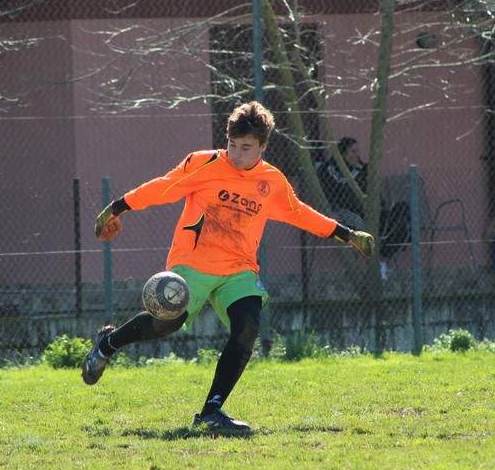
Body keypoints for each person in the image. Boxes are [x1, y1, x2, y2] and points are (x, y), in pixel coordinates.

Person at [82, 102, 374, 432]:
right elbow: (163, 187)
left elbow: (300, 213)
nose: (236, 153)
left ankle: (211, 411)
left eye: (246, 147)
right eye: (232, 144)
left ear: (263, 146)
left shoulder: (271, 181)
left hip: (238, 269)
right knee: (165, 325)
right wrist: (118, 207)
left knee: (248, 327)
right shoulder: (203, 162)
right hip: (193, 262)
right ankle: (107, 344)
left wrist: (347, 235)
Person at [314, 137, 410, 278]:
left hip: (369, 211)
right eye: (352, 152)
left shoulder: (362, 170)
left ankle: (383, 255)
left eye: (357, 152)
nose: (356, 155)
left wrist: (362, 171)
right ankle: (378, 260)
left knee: (402, 213)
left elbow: (374, 193)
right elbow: (341, 190)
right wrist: (357, 173)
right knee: (361, 223)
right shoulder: (329, 170)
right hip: (343, 212)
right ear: (342, 153)